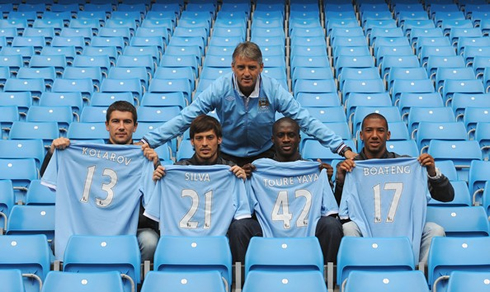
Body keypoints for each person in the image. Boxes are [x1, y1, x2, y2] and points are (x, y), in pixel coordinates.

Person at [141, 41, 356, 167]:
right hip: (226, 157)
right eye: (241, 67)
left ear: (261, 67)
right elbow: (186, 117)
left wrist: (342, 148)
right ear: (233, 67)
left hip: (265, 156)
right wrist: (148, 141)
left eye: (252, 68)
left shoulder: (272, 89)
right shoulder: (220, 88)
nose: (246, 73)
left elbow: (305, 120)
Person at [40, 101, 160, 262]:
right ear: (107, 125)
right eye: (116, 121)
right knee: (60, 243)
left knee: (149, 241)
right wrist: (54, 152)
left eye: (127, 122)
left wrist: (155, 166)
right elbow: (49, 176)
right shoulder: (86, 156)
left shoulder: (145, 158)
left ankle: (137, 285)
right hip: (88, 226)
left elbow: (156, 202)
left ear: (135, 126)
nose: (122, 127)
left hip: (132, 229)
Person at [334, 113, 454, 262]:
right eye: (369, 130)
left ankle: (420, 276)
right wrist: (340, 181)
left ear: (388, 135)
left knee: (435, 230)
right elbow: (340, 211)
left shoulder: (405, 165)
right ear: (361, 135)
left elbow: (447, 196)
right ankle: (361, 270)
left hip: (403, 226)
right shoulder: (351, 167)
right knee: (349, 228)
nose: (375, 135)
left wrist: (432, 172)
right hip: (366, 228)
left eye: (380, 130)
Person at [229, 117, 343, 264]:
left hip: (308, 232)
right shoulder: (256, 169)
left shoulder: (314, 169)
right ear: (272, 139)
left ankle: (328, 281)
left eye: (291, 135)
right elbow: (246, 212)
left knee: (331, 225)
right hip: (266, 232)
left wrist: (326, 180)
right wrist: (245, 180)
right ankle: (244, 281)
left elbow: (330, 212)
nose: (286, 139)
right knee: (239, 227)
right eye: (281, 135)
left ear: (299, 138)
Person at [151, 115, 248, 261]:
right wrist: (157, 179)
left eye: (210, 138)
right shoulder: (175, 171)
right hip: (179, 239)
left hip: (218, 240)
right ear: (192, 142)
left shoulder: (231, 171)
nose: (204, 144)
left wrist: (242, 182)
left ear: (219, 140)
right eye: (199, 138)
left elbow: (242, 216)